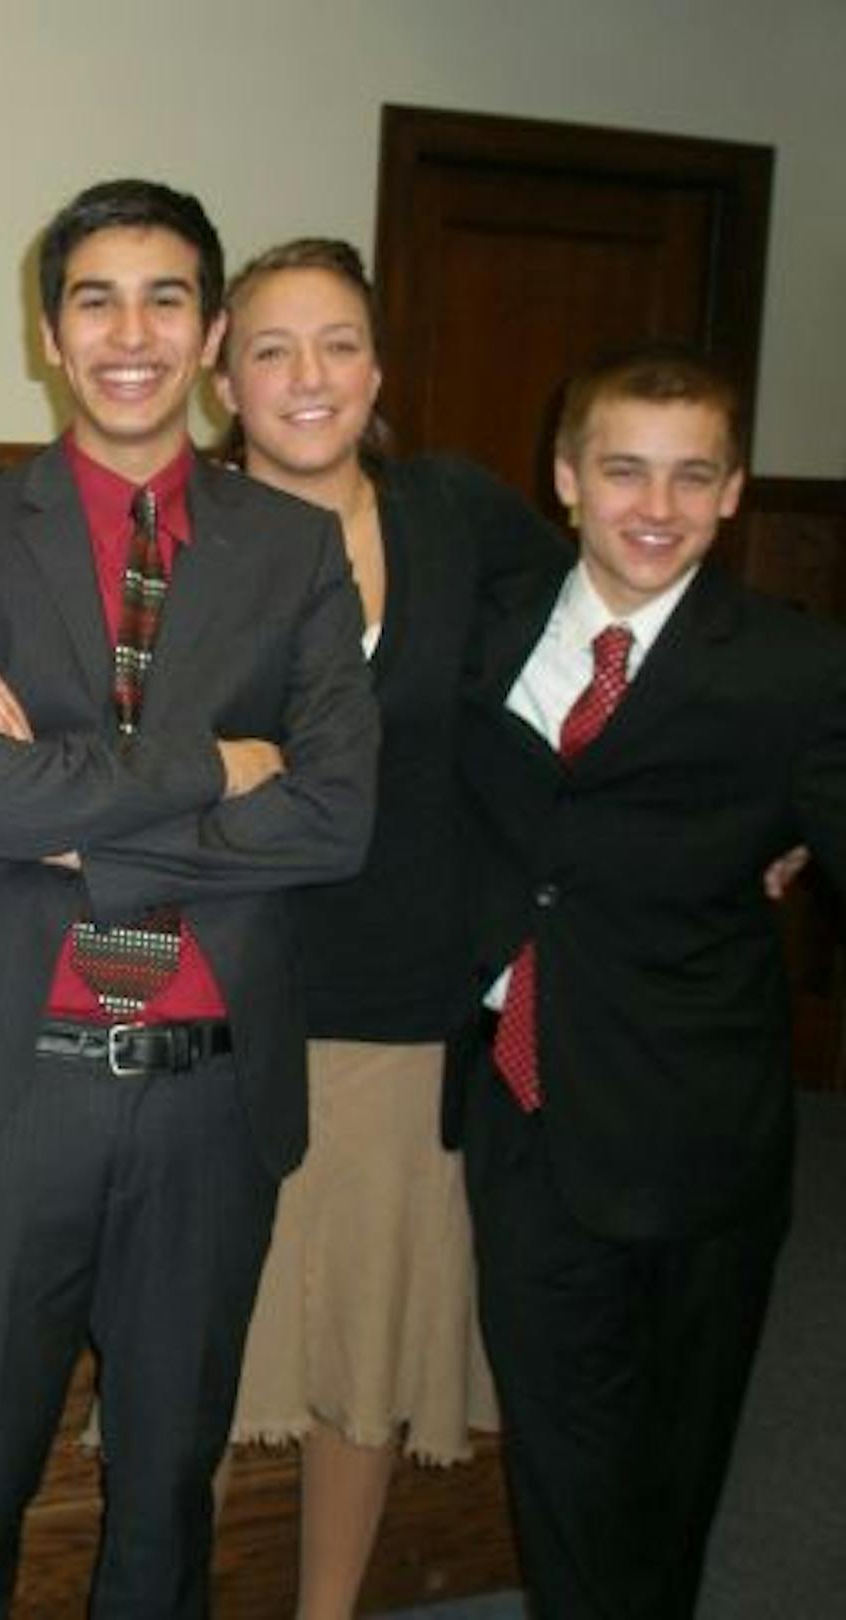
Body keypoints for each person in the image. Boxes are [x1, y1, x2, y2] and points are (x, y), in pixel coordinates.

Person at [0, 179, 378, 1617]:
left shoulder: (292, 550)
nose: (130, 332)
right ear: (50, 334)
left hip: (210, 1090)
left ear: (207, 340)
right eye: (95, 300)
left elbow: (333, 818)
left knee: (167, 1473)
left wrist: (87, 818)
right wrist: (216, 767)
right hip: (10, 1083)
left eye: (166, 299)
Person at [451, 345, 846, 1619]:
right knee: (561, 1466)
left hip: (696, 1138)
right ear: (566, 478)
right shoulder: (488, 628)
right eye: (625, 471)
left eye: (694, 476)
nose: (657, 508)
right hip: (524, 1106)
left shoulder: (796, 670)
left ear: (735, 491)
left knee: (667, 1483)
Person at [209, 238, 563, 1617]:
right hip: (210, 1000)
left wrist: (736, 814)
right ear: (224, 373)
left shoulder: (457, 516)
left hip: (403, 1005)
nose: (310, 377)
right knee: (199, 1348)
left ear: (378, 363)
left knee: (362, 1342)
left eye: (339, 342)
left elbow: (621, 648)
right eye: (275, 348)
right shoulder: (170, 533)